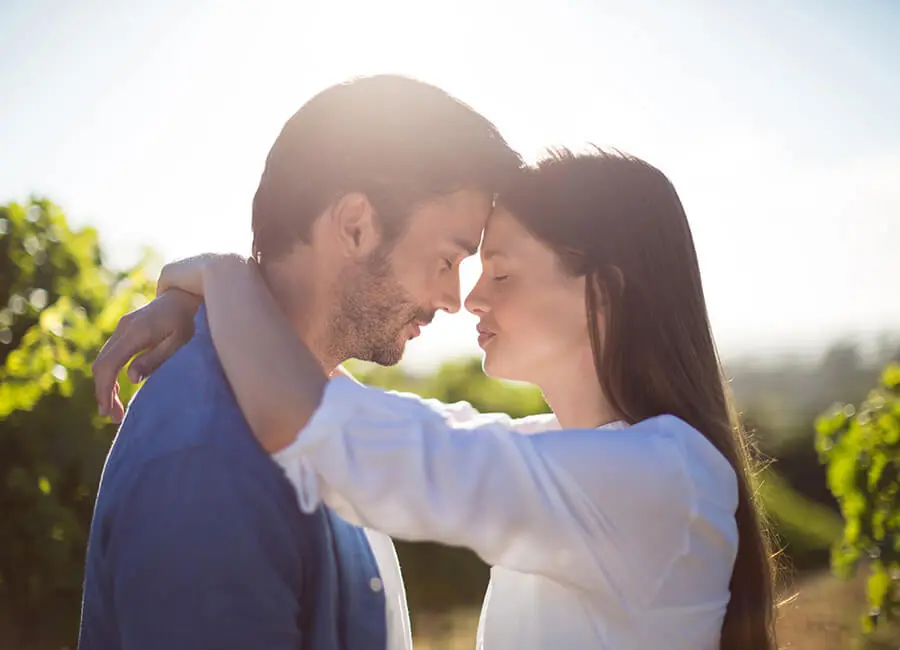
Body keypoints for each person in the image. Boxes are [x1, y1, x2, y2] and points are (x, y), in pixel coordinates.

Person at [93, 149, 777, 650]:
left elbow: (333, 433)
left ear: (603, 296)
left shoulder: (660, 481)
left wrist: (225, 279)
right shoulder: (579, 458)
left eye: (501, 273)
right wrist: (216, 314)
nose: (469, 298)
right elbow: (363, 410)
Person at [79, 73, 522, 650]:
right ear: (355, 226)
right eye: (447, 260)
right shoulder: (211, 455)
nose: (453, 299)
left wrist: (224, 276)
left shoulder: (329, 411)